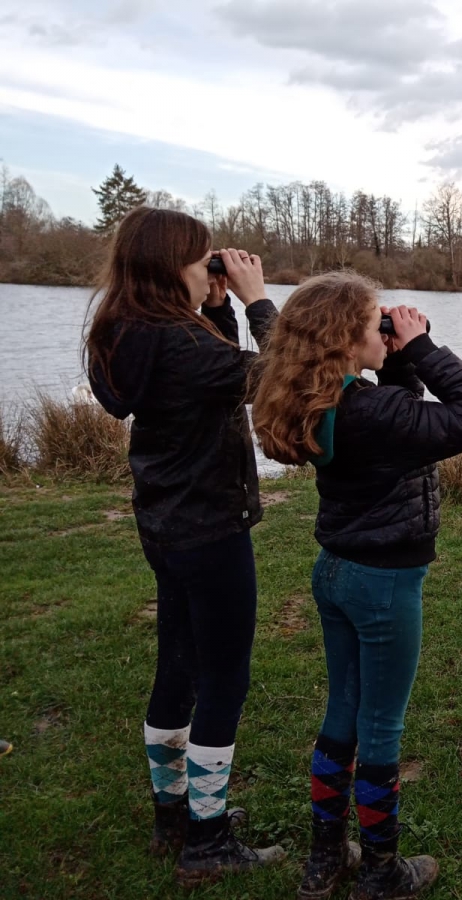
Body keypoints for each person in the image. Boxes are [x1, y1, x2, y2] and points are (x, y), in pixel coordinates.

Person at [252, 272, 462, 900]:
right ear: (344, 338)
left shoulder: (327, 399)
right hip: (385, 584)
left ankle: (324, 862)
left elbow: (401, 421)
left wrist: (393, 361)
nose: (382, 330)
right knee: (381, 727)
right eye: (372, 324)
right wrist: (420, 348)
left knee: (343, 712)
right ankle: (383, 873)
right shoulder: (373, 410)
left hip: (335, 573)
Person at [85, 207, 285, 884]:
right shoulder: (182, 346)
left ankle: (170, 816)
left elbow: (218, 374)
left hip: (163, 523)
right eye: (203, 261)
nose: (213, 269)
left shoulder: (121, 331)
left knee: (177, 665)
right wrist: (260, 304)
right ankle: (208, 838)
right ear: (173, 266)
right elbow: (283, 378)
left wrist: (220, 310)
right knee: (224, 678)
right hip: (210, 528)